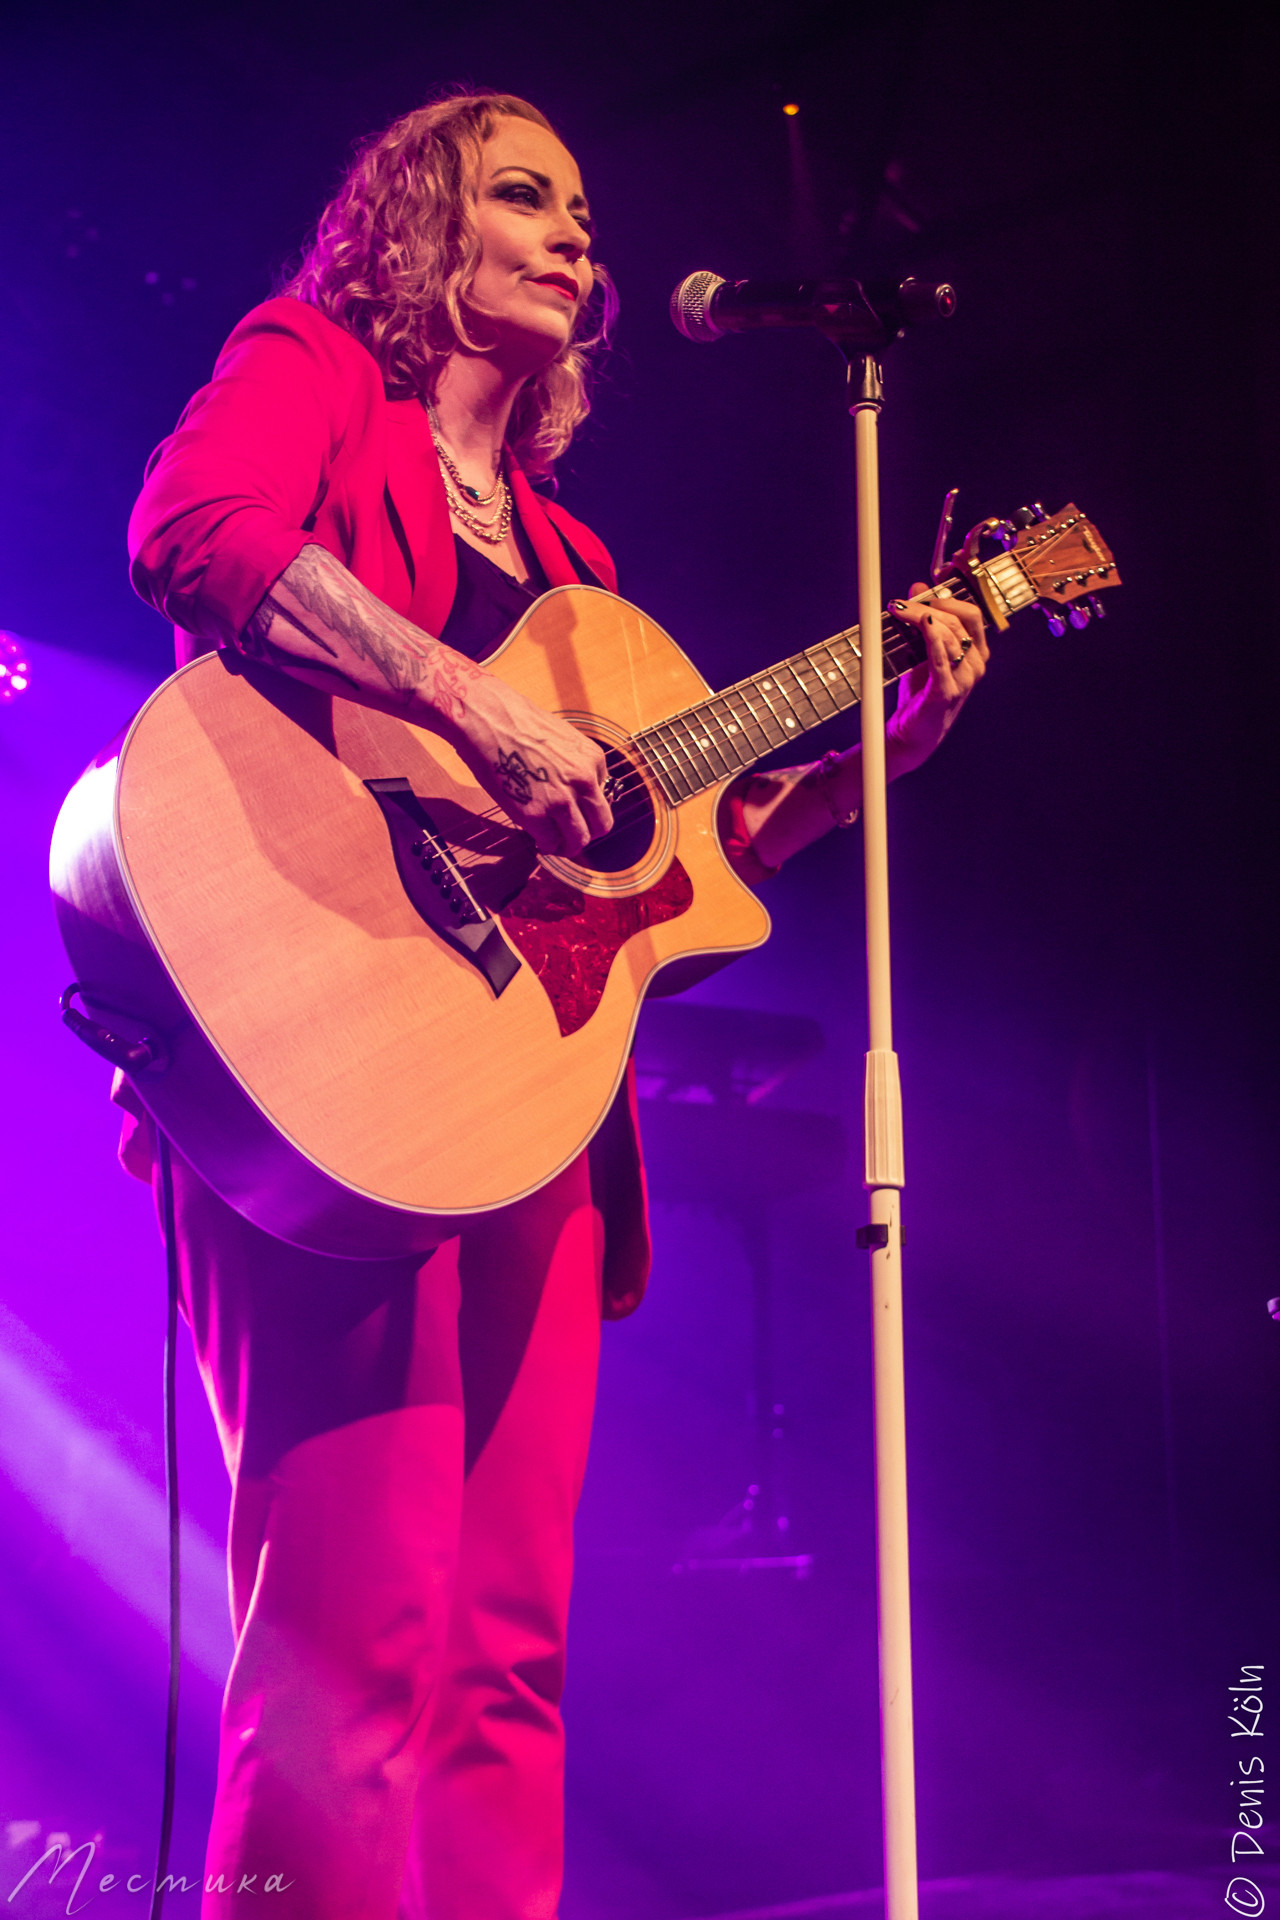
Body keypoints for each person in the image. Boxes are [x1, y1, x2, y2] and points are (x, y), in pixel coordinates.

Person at [123, 89, 986, 1920]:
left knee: (504, 1655)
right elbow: (193, 529)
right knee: (355, 1632)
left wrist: (882, 749)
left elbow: (704, 855)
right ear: (414, 231)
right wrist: (470, 707)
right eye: (526, 195)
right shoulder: (312, 376)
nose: (578, 231)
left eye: (585, 208)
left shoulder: (580, 575)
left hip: (529, 1105)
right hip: (316, 1045)